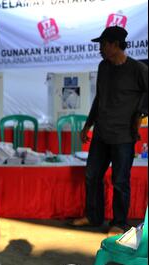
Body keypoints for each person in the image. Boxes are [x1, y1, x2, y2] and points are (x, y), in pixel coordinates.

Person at [70, 26, 148, 236]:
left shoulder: (138, 69)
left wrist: (140, 114)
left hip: (123, 136)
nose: (100, 49)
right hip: (101, 134)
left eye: (103, 44)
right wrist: (88, 125)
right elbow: (99, 98)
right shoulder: (104, 67)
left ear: (115, 45)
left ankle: (120, 223)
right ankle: (93, 217)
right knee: (92, 175)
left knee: (120, 181)